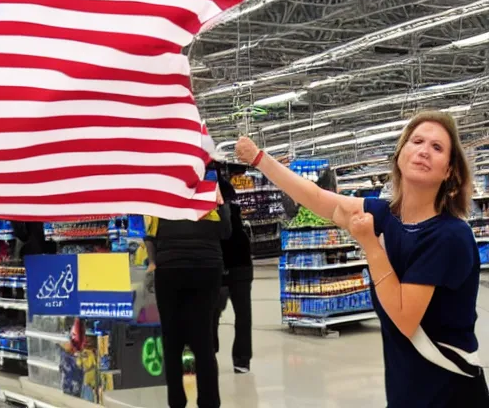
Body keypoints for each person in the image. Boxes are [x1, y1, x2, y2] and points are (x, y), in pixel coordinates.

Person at [235, 110, 489, 408]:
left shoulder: (450, 236)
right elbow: (316, 198)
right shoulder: (384, 214)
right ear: (400, 154)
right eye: (417, 141)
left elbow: (405, 317)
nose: (424, 151)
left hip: (450, 394)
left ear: (449, 171)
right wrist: (259, 159)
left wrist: (369, 243)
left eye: (437, 147)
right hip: (406, 391)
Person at [144, 188, 231, 408]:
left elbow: (150, 236)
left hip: (170, 268)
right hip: (207, 267)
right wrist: (222, 204)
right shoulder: (209, 192)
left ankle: (177, 402)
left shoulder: (163, 192)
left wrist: (154, 263)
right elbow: (226, 231)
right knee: (203, 341)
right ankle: (209, 402)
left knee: (172, 342)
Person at [213, 172, 253, 374]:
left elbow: (223, 234)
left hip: (220, 268)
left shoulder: (212, 215)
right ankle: (242, 360)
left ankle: (210, 352)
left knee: (211, 314)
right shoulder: (236, 214)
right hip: (242, 266)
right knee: (243, 315)